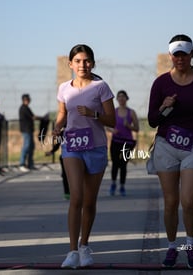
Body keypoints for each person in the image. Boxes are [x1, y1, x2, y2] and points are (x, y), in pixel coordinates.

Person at [147, 34, 193, 269]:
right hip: (166, 146)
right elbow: (151, 120)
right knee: (170, 202)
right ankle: (171, 248)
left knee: (188, 201)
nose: (180, 58)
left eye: (184, 54)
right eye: (176, 54)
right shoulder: (161, 83)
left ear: (192, 54)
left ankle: (190, 246)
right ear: (170, 56)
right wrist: (164, 106)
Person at [53, 44, 115, 269]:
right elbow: (62, 113)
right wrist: (56, 127)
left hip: (96, 147)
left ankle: (84, 245)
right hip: (72, 146)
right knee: (76, 197)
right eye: (78, 61)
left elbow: (112, 121)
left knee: (89, 201)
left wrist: (94, 114)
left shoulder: (101, 87)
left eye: (87, 60)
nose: (82, 65)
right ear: (70, 64)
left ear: (93, 63)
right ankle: (71, 251)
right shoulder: (64, 88)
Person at [109, 90, 139, 196]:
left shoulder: (131, 112)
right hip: (115, 141)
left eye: (123, 97)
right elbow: (106, 125)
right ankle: (113, 184)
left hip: (127, 143)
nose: (121, 99)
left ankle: (122, 186)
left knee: (123, 165)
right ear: (117, 99)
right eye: (119, 97)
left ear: (126, 98)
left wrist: (129, 126)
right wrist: (112, 130)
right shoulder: (114, 111)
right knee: (115, 164)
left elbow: (137, 128)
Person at [45, 127, 70, 200]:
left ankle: (69, 192)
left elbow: (57, 145)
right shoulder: (63, 133)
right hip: (65, 157)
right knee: (65, 175)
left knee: (67, 175)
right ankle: (67, 193)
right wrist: (51, 151)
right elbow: (57, 144)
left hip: (72, 157)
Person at [19, 94, 41, 171]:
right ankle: (22, 164)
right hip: (26, 130)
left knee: (31, 147)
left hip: (29, 130)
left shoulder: (27, 108)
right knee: (26, 146)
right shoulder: (23, 108)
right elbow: (32, 117)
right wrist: (40, 118)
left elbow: (32, 116)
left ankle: (30, 164)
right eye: (27, 100)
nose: (28, 101)